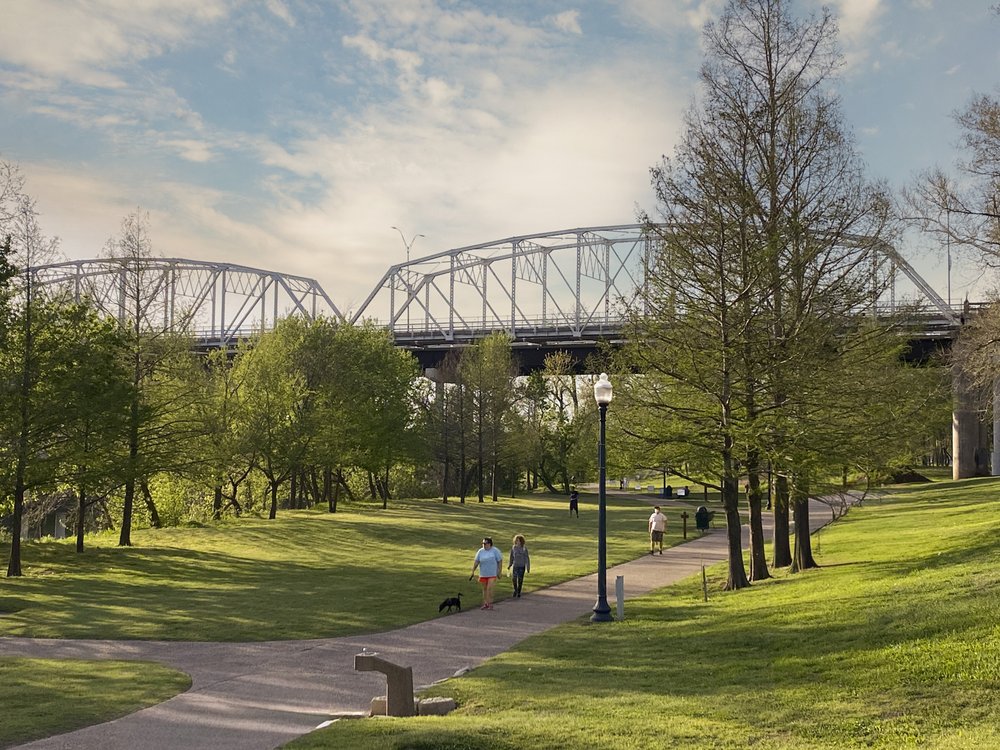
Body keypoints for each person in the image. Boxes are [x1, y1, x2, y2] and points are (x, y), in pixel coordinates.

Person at [470, 537, 503, 610]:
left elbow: (499, 561)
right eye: (483, 543)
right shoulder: (480, 551)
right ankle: (486, 603)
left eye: (485, 543)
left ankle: (490, 603)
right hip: (483, 573)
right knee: (484, 589)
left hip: (492, 573)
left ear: (489, 544)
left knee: (489, 588)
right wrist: (473, 570)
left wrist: (499, 571)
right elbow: (476, 561)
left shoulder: (495, 551)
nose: (484, 545)